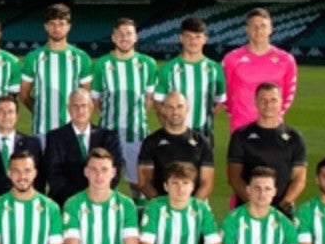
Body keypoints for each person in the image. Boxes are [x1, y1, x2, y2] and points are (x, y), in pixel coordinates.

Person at [138, 90, 216, 244]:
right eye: (169, 107)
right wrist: (163, 208)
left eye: (179, 107)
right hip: (160, 213)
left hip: (192, 212)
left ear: (187, 108)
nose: (174, 111)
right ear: (162, 110)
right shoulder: (152, 141)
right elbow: (144, 181)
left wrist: (189, 209)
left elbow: (207, 181)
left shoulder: (200, 141)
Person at [91, 17, 157, 196]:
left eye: (128, 33)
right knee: (103, 182)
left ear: (136, 37)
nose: (124, 37)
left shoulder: (148, 64)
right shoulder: (102, 64)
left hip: (136, 134)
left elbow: (149, 99)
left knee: (139, 184)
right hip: (107, 135)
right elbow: (95, 101)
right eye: (120, 34)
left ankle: (137, 221)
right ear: (113, 37)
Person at [227, 82, 306, 215]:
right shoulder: (241, 135)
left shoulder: (294, 137)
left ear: (281, 102)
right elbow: (234, 177)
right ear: (255, 102)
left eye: (273, 100)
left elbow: (299, 178)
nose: (268, 105)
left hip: (282, 211)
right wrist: (256, 205)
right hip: (249, 210)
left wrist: (284, 204)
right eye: (263, 100)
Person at [19, 4, 91, 143]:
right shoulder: (33, 57)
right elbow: (24, 95)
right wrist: (40, 111)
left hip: (73, 131)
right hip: (42, 131)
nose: (57, 28)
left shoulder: (81, 57)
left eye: (61, 24)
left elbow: (85, 97)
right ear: (46, 26)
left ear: (69, 26)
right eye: (52, 24)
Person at [222, 7, 297, 134]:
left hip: (273, 126)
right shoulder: (231, 59)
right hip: (241, 126)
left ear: (271, 29)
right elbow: (224, 93)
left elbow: (289, 93)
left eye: (263, 26)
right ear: (247, 29)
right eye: (254, 26)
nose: (258, 30)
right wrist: (236, 114)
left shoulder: (286, 59)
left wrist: (274, 114)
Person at [43, 90, 123, 204]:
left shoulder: (108, 137)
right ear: (69, 109)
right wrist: (80, 200)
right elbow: (53, 175)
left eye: (83, 106)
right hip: (66, 202)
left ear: (91, 107)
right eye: (75, 106)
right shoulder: (55, 138)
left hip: (101, 201)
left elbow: (115, 171)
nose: (80, 110)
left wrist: (95, 195)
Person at [154, 16, 226, 142]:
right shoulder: (168, 69)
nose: (193, 41)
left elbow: (220, 101)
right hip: (175, 134)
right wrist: (169, 125)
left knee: (205, 163)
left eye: (198, 37)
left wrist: (205, 118)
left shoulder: (215, 69)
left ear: (205, 39)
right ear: (181, 38)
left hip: (205, 135)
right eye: (189, 37)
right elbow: (158, 102)